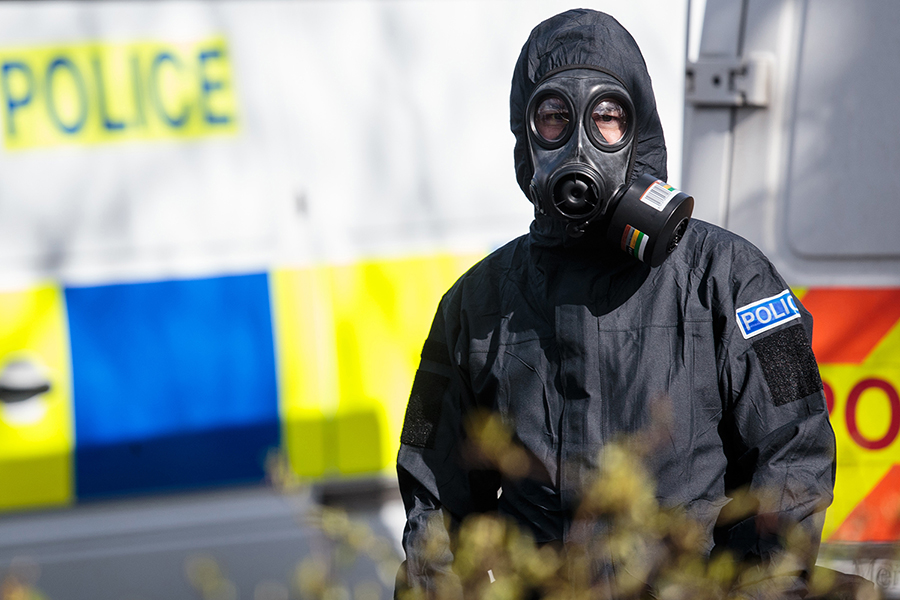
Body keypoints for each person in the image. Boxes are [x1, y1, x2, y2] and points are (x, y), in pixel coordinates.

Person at [395, 8, 836, 599]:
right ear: (526, 137)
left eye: (606, 116)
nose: (579, 141)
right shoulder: (475, 306)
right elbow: (435, 510)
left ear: (640, 129)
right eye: (553, 116)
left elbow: (796, 454)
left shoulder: (733, 279)